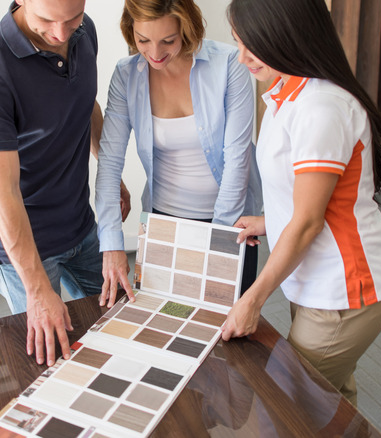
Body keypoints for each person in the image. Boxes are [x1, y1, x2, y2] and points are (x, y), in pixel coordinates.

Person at [221, 0, 381, 407]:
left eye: (255, 44)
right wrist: (269, 222)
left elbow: (307, 222)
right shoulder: (286, 91)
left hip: (343, 292)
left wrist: (252, 300)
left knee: (290, 405)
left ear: (287, 36)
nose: (243, 56)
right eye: (238, 42)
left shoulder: (321, 108)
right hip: (314, 282)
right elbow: (308, 196)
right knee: (332, 398)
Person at [0, 0, 131, 367]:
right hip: (25, 245)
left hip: (79, 224)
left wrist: (109, 172)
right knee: (55, 358)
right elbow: (2, 195)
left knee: (123, 325)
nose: (60, 35)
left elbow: (84, 104)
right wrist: (37, 291)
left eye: (72, 19)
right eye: (47, 21)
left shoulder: (83, 35)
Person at [96, 0, 261, 306]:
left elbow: (238, 160)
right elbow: (109, 163)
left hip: (228, 222)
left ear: (186, 28)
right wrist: (112, 243)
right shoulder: (126, 75)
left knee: (226, 330)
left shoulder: (228, 64)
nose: (155, 54)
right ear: (130, 30)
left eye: (168, 41)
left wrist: (218, 242)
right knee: (163, 322)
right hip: (162, 224)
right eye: (143, 40)